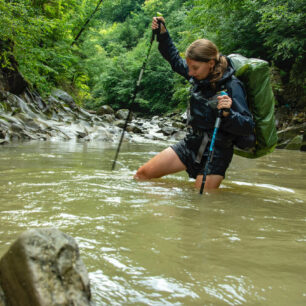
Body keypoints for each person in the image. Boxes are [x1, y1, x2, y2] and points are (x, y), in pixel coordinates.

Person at [134, 17, 255, 191]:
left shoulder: (232, 85)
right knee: (142, 176)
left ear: (211, 63)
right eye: (189, 66)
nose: (190, 72)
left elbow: (247, 126)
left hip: (216, 152)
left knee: (200, 203)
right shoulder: (198, 75)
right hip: (191, 143)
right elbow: (175, 61)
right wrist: (163, 34)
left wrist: (228, 113)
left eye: (195, 68)